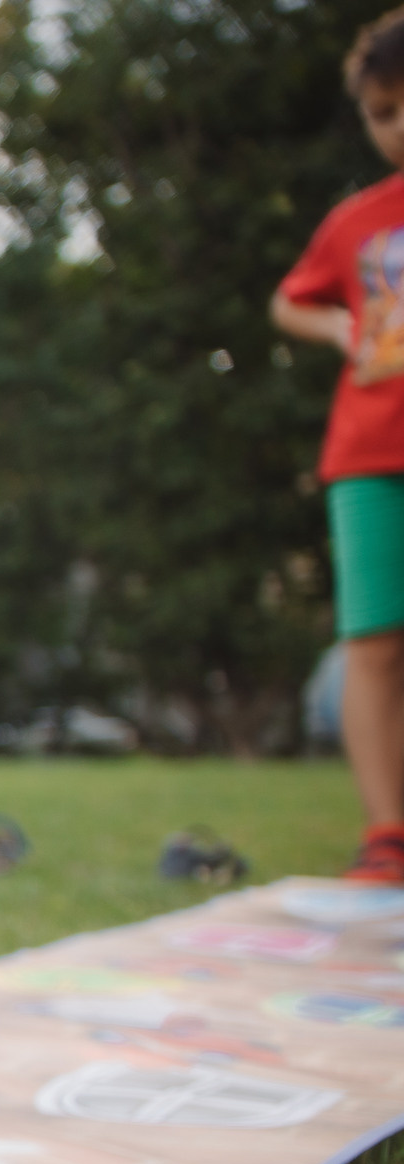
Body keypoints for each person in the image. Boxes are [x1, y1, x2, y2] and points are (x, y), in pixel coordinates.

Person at [273, 7, 404, 886]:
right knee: (373, 643)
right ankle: (386, 832)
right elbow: (291, 299)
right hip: (368, 454)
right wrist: (338, 331)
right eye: (382, 113)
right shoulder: (360, 220)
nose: (397, 128)